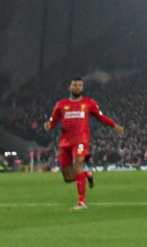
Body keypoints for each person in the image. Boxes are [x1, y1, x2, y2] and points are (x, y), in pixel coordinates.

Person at [45, 78, 123, 210]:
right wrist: (48, 125)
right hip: (65, 142)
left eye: (80, 85)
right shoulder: (61, 105)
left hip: (81, 140)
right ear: (69, 87)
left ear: (82, 88)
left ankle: (81, 202)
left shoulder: (89, 103)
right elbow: (52, 122)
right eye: (75, 85)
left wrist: (114, 125)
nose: (77, 87)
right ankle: (86, 175)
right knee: (68, 177)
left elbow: (100, 117)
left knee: (78, 163)